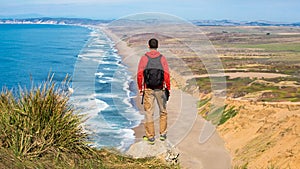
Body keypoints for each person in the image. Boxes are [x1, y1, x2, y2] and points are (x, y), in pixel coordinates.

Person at [137, 38, 171, 145]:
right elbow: (166, 74)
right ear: (157, 46)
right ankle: (163, 134)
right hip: (160, 88)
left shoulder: (144, 58)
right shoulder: (162, 58)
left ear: (148, 46)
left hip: (148, 88)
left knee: (149, 112)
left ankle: (150, 137)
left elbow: (139, 74)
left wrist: (140, 88)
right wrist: (168, 87)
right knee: (163, 111)